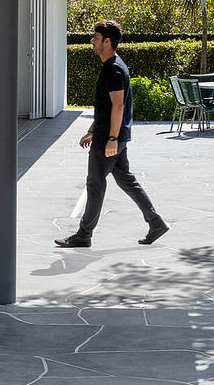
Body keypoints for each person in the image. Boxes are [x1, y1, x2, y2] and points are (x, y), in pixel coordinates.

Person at [56, 20, 168, 248]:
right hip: (111, 135)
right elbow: (106, 108)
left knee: (95, 183)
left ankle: (84, 234)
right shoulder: (113, 65)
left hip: (110, 138)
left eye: (96, 38)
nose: (92, 41)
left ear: (107, 42)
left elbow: (118, 106)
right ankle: (156, 223)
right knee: (126, 179)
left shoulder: (114, 69)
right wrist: (92, 130)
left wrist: (112, 139)